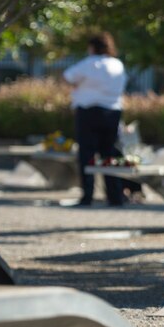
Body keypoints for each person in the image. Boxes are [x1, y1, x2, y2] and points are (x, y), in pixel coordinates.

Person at [63, 31, 128, 207]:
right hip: (113, 113)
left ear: (92, 47)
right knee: (110, 156)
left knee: (87, 155)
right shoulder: (117, 65)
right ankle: (115, 196)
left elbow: (68, 77)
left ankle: (88, 196)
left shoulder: (89, 64)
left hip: (88, 113)